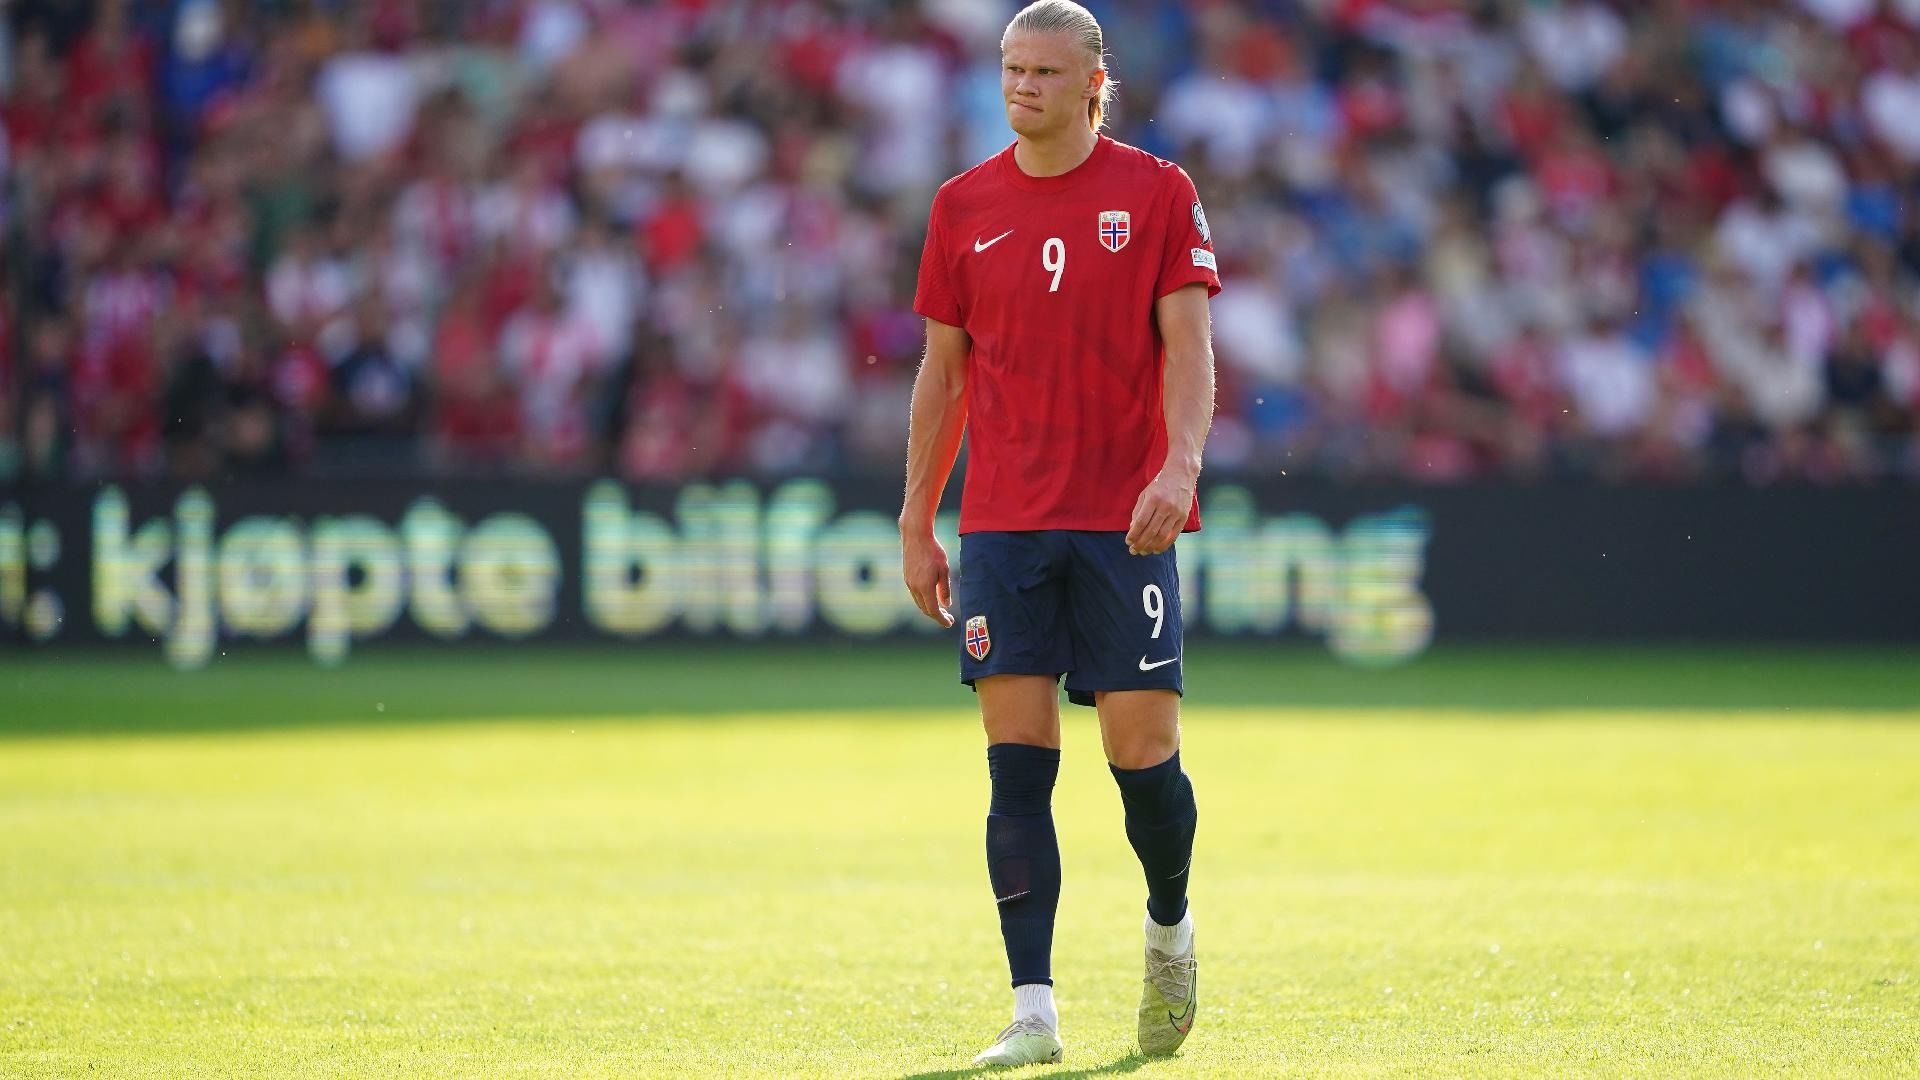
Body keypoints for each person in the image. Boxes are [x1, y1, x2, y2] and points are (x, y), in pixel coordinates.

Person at [897, 0, 1219, 1066]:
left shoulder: (1157, 192)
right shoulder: (961, 205)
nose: (1021, 86)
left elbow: (1189, 348)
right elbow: (944, 375)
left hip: (1125, 521)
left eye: (1042, 71)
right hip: (1003, 526)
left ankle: (1169, 929)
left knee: (1143, 756)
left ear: (1093, 83)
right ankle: (1032, 1011)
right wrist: (918, 517)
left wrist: (1179, 466)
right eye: (1010, 68)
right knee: (1017, 765)